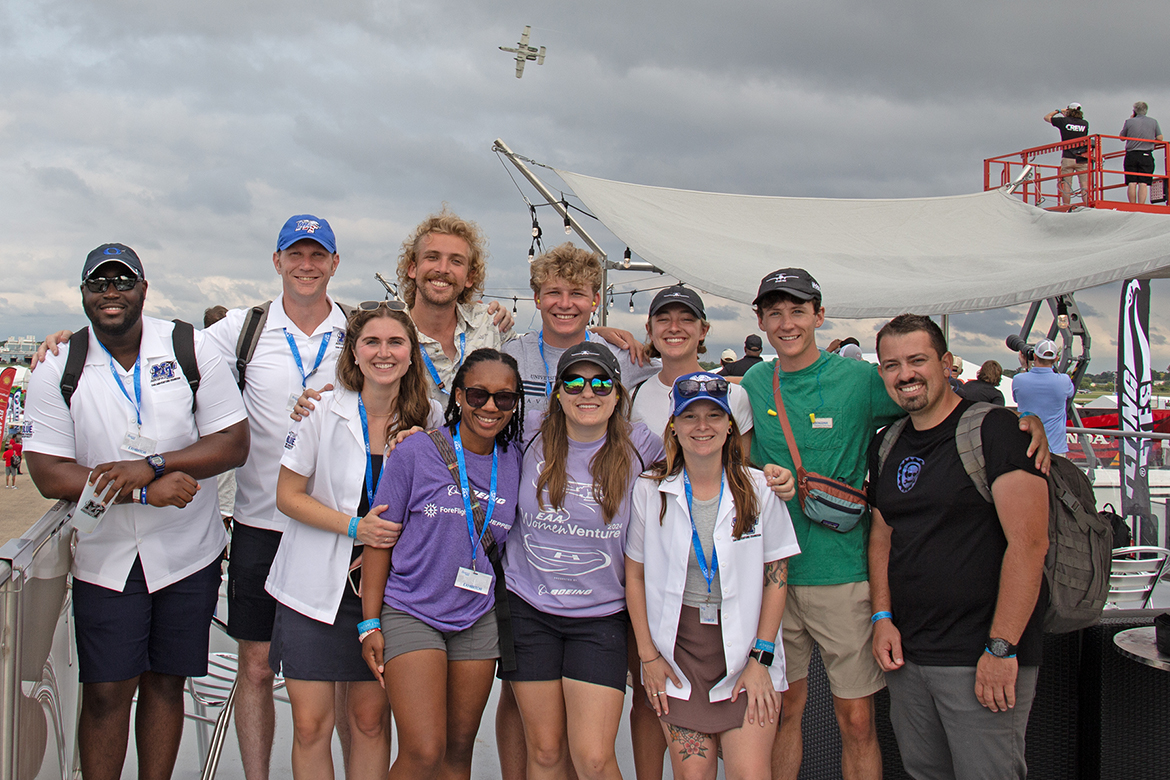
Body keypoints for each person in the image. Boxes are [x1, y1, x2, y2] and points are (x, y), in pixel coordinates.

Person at [35, 215, 354, 778]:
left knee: (340, 679)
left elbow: (230, 442)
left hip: (317, 528)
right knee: (226, 673)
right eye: (295, 254)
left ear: (333, 262)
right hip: (245, 525)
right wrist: (60, 340)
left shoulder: (357, 331)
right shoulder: (233, 330)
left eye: (317, 254)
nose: (306, 264)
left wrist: (490, 321)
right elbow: (52, 466)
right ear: (276, 261)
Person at [738, 268, 1050, 780]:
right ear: (761, 320)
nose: (786, 323)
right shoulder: (754, 382)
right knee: (782, 712)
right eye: (774, 312)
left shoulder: (860, 379)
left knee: (857, 720)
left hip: (844, 573)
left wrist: (1016, 418)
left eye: (797, 310)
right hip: (774, 576)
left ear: (819, 315)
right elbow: (715, 432)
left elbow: (928, 398)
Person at [23, 243, 249, 780]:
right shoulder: (60, 363)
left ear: (143, 289)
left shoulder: (189, 346)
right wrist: (142, 490)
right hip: (105, 556)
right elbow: (48, 473)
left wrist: (149, 464)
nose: (111, 293)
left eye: (123, 282)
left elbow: (233, 442)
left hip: (187, 554)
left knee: (167, 683)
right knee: (106, 691)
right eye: (99, 284)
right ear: (83, 295)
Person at [868, 314, 1049, 780]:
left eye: (917, 360)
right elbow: (883, 534)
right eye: (892, 365)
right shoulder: (886, 443)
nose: (905, 374)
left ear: (946, 364)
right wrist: (882, 617)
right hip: (910, 655)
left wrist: (1002, 647)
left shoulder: (998, 432)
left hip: (979, 655)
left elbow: (1029, 545)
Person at [269, 302, 444, 778]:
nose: (383, 352)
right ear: (354, 352)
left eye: (395, 342)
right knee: (309, 724)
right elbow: (287, 496)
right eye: (371, 341)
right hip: (314, 585)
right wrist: (354, 527)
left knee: (368, 720)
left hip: (389, 592)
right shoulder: (320, 409)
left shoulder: (431, 420)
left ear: (412, 355)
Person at [626, 372, 801, 780]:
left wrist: (761, 657)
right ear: (674, 426)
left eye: (713, 416)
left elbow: (777, 575)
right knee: (693, 776)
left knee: (751, 774)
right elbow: (634, 576)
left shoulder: (760, 489)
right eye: (690, 417)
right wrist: (648, 655)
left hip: (746, 652)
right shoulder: (650, 491)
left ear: (729, 427)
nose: (702, 427)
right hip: (679, 653)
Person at [361, 348, 524, 780]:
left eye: (504, 398)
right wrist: (369, 623)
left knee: (457, 751)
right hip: (412, 610)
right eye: (477, 395)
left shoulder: (516, 460)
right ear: (457, 396)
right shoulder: (415, 451)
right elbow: (380, 540)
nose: (490, 407)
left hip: (476, 616)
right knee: (423, 751)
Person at [503, 341, 664, 780]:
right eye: (573, 382)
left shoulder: (641, 443)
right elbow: (464, 429)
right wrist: (414, 432)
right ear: (557, 393)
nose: (586, 393)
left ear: (618, 394)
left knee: (593, 757)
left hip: (600, 617)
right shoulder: (529, 430)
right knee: (546, 751)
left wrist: (765, 480)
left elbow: (702, 466)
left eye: (600, 383)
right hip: (529, 610)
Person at [504, 242, 657, 415]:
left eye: (577, 293)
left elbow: (678, 373)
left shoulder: (620, 357)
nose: (564, 304)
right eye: (554, 292)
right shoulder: (512, 354)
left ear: (595, 301)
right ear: (537, 299)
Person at [397, 210, 518, 403]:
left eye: (456, 261)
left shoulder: (490, 325)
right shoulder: (389, 334)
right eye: (432, 257)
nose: (443, 269)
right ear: (413, 268)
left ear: (470, 277)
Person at [1012, 339, 1075, 455]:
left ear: (1034, 356)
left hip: (1027, 446)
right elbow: (1070, 393)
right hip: (1055, 448)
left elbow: (1017, 399)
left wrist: (1024, 367)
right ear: (1056, 359)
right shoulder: (1064, 381)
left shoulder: (1019, 379)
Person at [1044, 103, 1089, 206]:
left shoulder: (1063, 121)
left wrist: (1059, 111)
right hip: (1081, 157)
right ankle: (1087, 205)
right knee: (1084, 184)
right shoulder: (1085, 123)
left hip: (1067, 157)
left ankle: (1066, 206)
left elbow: (1047, 117)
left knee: (1067, 184)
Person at [1120, 101, 1164, 205]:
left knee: (1131, 182)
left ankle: (1132, 204)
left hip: (1131, 154)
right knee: (1143, 182)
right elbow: (1160, 138)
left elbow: (1122, 137)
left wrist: (1131, 119)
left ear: (1134, 110)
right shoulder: (1153, 122)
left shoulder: (1129, 121)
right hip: (1146, 154)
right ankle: (1141, 205)